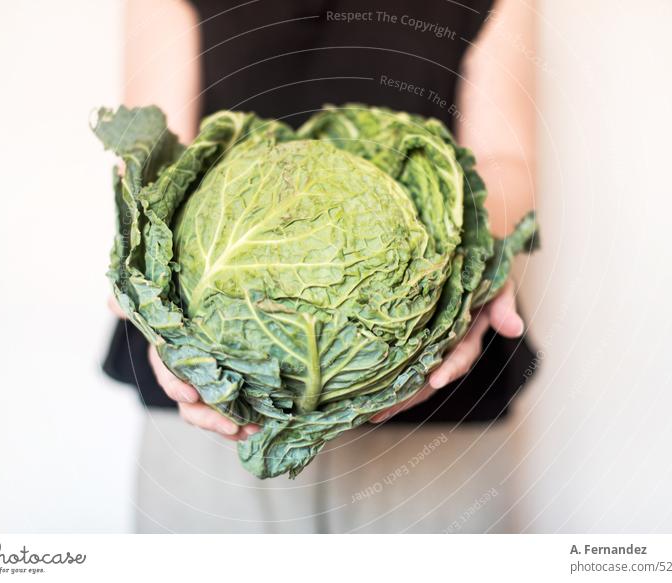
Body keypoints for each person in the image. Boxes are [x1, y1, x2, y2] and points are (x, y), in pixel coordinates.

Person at [104, 0, 537, 533]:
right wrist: (159, 308)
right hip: (209, 393)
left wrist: (473, 272)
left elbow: (504, 157)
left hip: (441, 398)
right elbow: (155, 154)